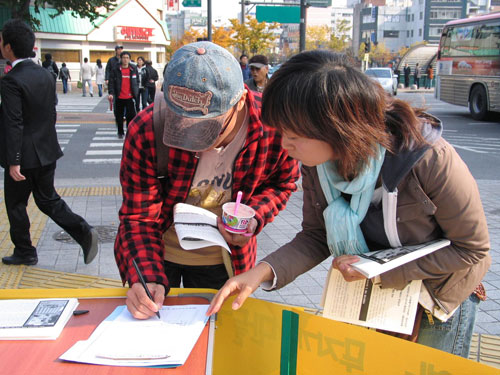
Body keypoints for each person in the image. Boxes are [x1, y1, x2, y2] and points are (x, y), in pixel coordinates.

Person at [207, 50, 490, 359]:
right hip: (376, 298)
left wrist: (377, 271)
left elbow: (471, 248)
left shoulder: (429, 158)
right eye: (281, 131)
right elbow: (317, 236)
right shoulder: (319, 163)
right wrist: (260, 273)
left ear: (336, 127)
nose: (285, 144)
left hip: (436, 300)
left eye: (294, 134)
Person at [114, 41, 300, 319]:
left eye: (205, 127)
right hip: (159, 251)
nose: (191, 142)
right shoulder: (148, 128)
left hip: (226, 258)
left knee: (217, 336)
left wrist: (254, 217)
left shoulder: (275, 125)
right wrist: (145, 276)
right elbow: (139, 217)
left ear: (239, 102)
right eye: (180, 123)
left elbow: (282, 183)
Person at [0, 19, 99, 266]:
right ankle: (83, 230)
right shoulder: (45, 74)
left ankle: (25, 251)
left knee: (16, 204)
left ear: (9, 47)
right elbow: (51, 113)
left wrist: (13, 161)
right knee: (46, 199)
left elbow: (14, 122)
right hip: (47, 151)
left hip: (23, 157)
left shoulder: (11, 80)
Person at [108, 51, 138, 139]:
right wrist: (111, 93)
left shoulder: (133, 68)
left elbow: (136, 81)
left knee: (131, 116)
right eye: (124, 58)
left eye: (127, 58)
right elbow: (111, 82)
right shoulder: (116, 69)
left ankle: (129, 131)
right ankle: (120, 132)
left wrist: (136, 92)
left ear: (129, 59)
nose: (125, 60)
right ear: (121, 59)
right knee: (119, 116)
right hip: (119, 96)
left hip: (130, 97)